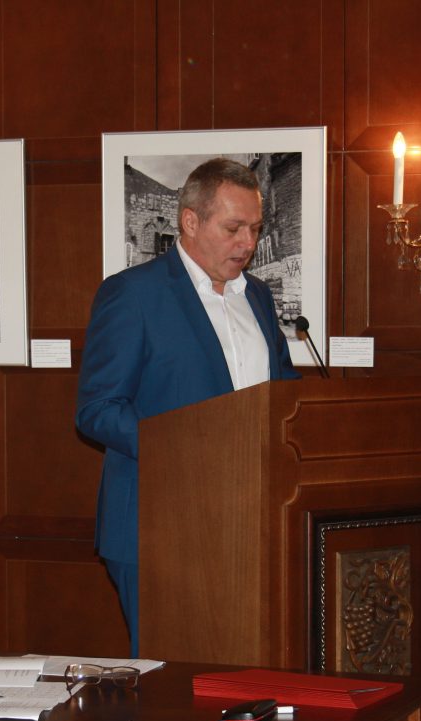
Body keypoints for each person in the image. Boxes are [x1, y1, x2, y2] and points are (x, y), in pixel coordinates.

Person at [76, 158, 301, 656]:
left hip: (247, 519)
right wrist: (189, 450)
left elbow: (281, 390)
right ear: (191, 221)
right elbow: (98, 408)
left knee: (240, 671)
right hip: (158, 524)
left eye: (255, 228)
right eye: (233, 228)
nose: (247, 242)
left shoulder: (257, 296)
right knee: (172, 678)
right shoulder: (132, 294)